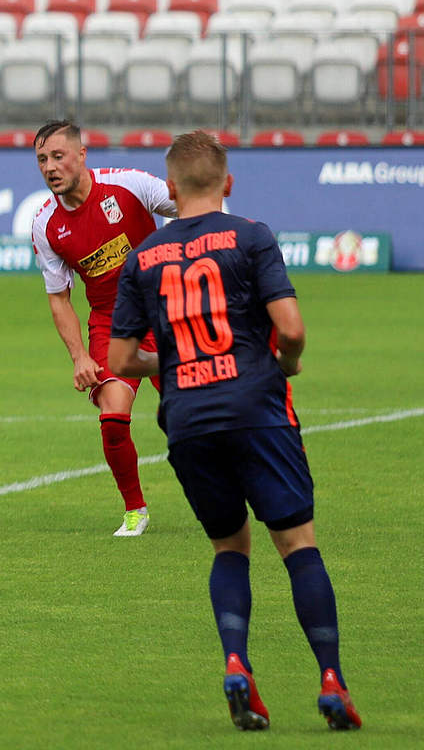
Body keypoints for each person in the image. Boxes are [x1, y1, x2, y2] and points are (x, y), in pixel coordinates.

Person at [109, 130, 361, 731]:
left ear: (168, 189)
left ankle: (236, 663)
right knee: (298, 544)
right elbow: (292, 329)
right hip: (256, 408)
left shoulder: (143, 257)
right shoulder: (251, 236)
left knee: (230, 547)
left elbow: (120, 361)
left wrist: (172, 364)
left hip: (189, 420)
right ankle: (331, 681)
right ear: (228, 183)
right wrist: (287, 365)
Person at [30, 120, 176, 536]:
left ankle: (218, 486)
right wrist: (78, 356)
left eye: (58, 156)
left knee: (186, 419)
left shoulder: (129, 186)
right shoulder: (46, 225)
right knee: (112, 416)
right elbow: (59, 297)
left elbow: (192, 207)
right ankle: (135, 510)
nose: (50, 167)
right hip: (113, 322)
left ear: (81, 155)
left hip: (164, 311)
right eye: (42, 159)